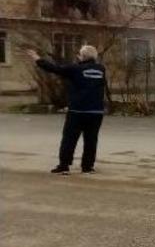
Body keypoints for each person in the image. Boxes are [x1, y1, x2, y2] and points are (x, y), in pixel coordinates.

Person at [26, 45, 107, 175]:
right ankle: (87, 167)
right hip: (96, 112)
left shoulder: (75, 69)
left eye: (79, 54)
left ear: (82, 56)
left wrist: (37, 58)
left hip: (77, 111)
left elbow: (54, 69)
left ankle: (64, 166)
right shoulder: (101, 69)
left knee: (69, 139)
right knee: (91, 139)